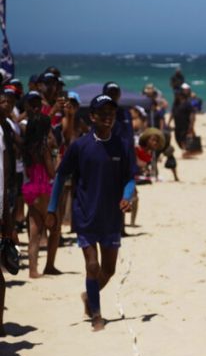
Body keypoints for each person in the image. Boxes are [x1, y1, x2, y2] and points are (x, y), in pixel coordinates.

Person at [46, 95, 137, 331]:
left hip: (111, 217)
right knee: (93, 266)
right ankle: (97, 315)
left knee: (109, 270)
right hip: (85, 214)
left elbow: (129, 177)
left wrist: (127, 197)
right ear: (92, 116)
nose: (108, 117)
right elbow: (61, 176)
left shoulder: (122, 145)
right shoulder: (80, 145)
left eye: (111, 113)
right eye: (102, 113)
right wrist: (52, 208)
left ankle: (89, 296)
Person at [20, 114, 58, 278]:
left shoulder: (27, 147)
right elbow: (51, 171)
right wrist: (56, 155)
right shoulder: (44, 147)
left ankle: (32, 270)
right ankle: (49, 265)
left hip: (30, 189)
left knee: (34, 233)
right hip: (43, 189)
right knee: (55, 229)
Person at [171, 83, 197, 157]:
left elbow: (192, 114)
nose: (175, 96)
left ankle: (186, 152)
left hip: (185, 124)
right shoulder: (175, 104)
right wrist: (169, 122)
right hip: (177, 125)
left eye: (177, 95)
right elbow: (172, 113)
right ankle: (186, 150)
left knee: (183, 139)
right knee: (177, 139)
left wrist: (191, 125)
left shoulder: (187, 103)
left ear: (180, 96)